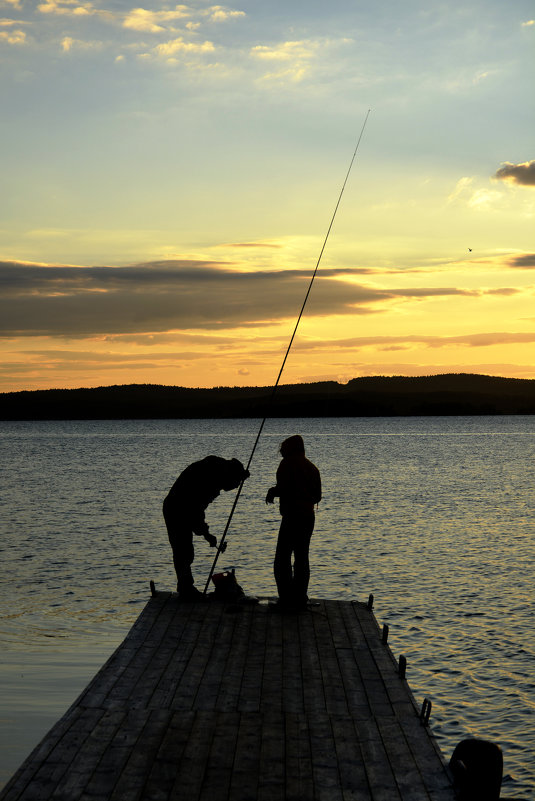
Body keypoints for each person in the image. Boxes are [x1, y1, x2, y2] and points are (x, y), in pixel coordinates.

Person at [163, 455, 249, 600]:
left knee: (185, 551)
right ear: (230, 476)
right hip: (176, 508)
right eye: (235, 484)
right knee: (183, 550)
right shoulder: (212, 478)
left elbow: (197, 510)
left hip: (184, 507)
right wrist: (206, 534)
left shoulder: (217, 471)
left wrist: (205, 533)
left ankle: (186, 587)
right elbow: (195, 508)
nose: (233, 488)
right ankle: (186, 589)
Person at [265, 435, 321, 611]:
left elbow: (283, 488)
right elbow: (317, 496)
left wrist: (272, 492)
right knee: (302, 557)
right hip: (308, 517)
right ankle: (300, 598)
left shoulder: (287, 464)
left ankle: (286, 598)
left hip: (291, 517)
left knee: (282, 558)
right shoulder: (312, 468)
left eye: (283, 447)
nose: (281, 451)